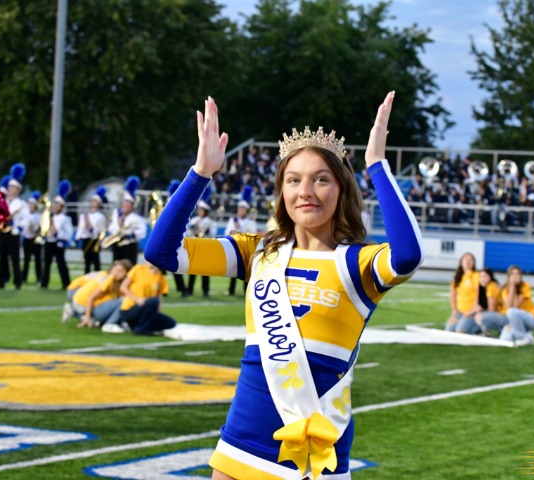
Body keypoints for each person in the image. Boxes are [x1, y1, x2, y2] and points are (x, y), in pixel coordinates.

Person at [144, 94, 424, 479]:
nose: (305, 191)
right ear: (282, 192)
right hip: (243, 438)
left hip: (315, 443)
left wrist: (376, 164)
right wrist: (200, 174)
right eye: (293, 180)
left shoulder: (359, 263)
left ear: (341, 188)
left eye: (321, 179)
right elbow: (161, 252)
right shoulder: (256, 252)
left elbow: (408, 254)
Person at [0, 163, 28, 289]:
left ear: (18, 190)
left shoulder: (21, 204)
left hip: (13, 233)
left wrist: (18, 228)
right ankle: (1, 281)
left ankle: (17, 282)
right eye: (10, 187)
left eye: (13, 188)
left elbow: (25, 218)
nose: (11, 189)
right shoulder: (4, 202)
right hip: (3, 231)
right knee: (2, 256)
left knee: (15, 258)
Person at [117, 262, 175, 335]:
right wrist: (137, 300)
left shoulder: (160, 276)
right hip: (129, 309)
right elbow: (123, 287)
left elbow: (159, 296)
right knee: (153, 301)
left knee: (170, 323)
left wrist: (158, 312)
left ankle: (135, 326)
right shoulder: (138, 269)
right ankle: (140, 329)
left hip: (146, 309)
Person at [73, 259, 133, 329]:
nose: (117, 273)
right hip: (91, 307)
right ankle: (109, 324)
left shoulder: (115, 281)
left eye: (121, 271)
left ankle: (79, 314)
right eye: (116, 270)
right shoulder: (109, 280)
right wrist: (87, 318)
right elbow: (91, 297)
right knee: (123, 300)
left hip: (89, 306)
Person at [106, 176, 147, 265]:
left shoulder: (136, 217)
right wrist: (116, 232)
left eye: (128, 203)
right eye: (124, 202)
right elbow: (111, 227)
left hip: (130, 245)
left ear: (132, 205)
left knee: (129, 267)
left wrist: (129, 234)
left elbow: (142, 232)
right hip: (117, 243)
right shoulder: (116, 214)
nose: (125, 205)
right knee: (116, 265)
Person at [224, 186, 257, 296]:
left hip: (246, 250)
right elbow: (227, 232)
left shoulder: (251, 222)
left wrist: (241, 232)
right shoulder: (232, 220)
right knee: (233, 270)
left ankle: (246, 291)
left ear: (246, 210)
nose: (240, 211)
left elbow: (253, 235)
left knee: (247, 272)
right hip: (235, 248)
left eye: (243, 209)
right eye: (239, 209)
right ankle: (231, 290)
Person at [40, 180, 73, 290]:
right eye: (54, 204)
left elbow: (68, 232)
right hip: (49, 241)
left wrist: (61, 238)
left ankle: (66, 283)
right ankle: (44, 283)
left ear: (61, 206)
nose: (55, 206)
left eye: (57, 204)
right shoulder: (51, 216)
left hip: (58, 243)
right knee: (47, 263)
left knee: (61, 263)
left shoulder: (65, 218)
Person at [498, 265, 534, 345]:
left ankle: (525, 337)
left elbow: (515, 306)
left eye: (517, 274)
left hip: (531, 318)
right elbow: (508, 305)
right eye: (513, 274)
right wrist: (511, 287)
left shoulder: (525, 286)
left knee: (511, 312)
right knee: (504, 338)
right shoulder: (505, 289)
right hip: (516, 319)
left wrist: (513, 286)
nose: (515, 276)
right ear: (509, 276)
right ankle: (527, 335)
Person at [185, 197, 216, 297]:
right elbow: (188, 233)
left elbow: (213, 234)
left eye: (202, 210)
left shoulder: (210, 222)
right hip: (195, 246)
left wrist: (206, 232)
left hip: (205, 247)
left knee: (205, 271)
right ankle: (190, 289)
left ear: (205, 211)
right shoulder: (194, 220)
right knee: (192, 270)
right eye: (199, 210)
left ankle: (205, 290)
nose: (199, 212)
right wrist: (193, 229)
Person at [76, 186, 108, 273]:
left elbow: (101, 230)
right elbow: (80, 227)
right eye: (92, 201)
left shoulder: (101, 217)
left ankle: (98, 276)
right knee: (87, 261)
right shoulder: (84, 215)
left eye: (95, 201)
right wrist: (78, 237)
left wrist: (97, 237)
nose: (93, 203)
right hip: (85, 239)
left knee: (96, 260)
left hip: (95, 240)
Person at [445, 252, 479, 332]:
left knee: (459, 330)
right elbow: (452, 295)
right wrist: (454, 310)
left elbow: (479, 295)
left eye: (471, 260)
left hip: (471, 313)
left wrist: (472, 310)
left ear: (474, 263)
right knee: (449, 329)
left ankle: (477, 330)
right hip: (459, 312)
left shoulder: (476, 276)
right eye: (466, 259)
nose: (468, 261)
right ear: (461, 262)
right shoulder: (458, 278)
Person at [21, 191, 43, 285]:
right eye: (29, 203)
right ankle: (23, 277)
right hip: (27, 238)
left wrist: (34, 228)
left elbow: (41, 228)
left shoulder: (39, 215)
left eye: (32, 204)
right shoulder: (25, 214)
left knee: (38, 259)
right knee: (26, 259)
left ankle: (39, 278)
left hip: (35, 238)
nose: (30, 205)